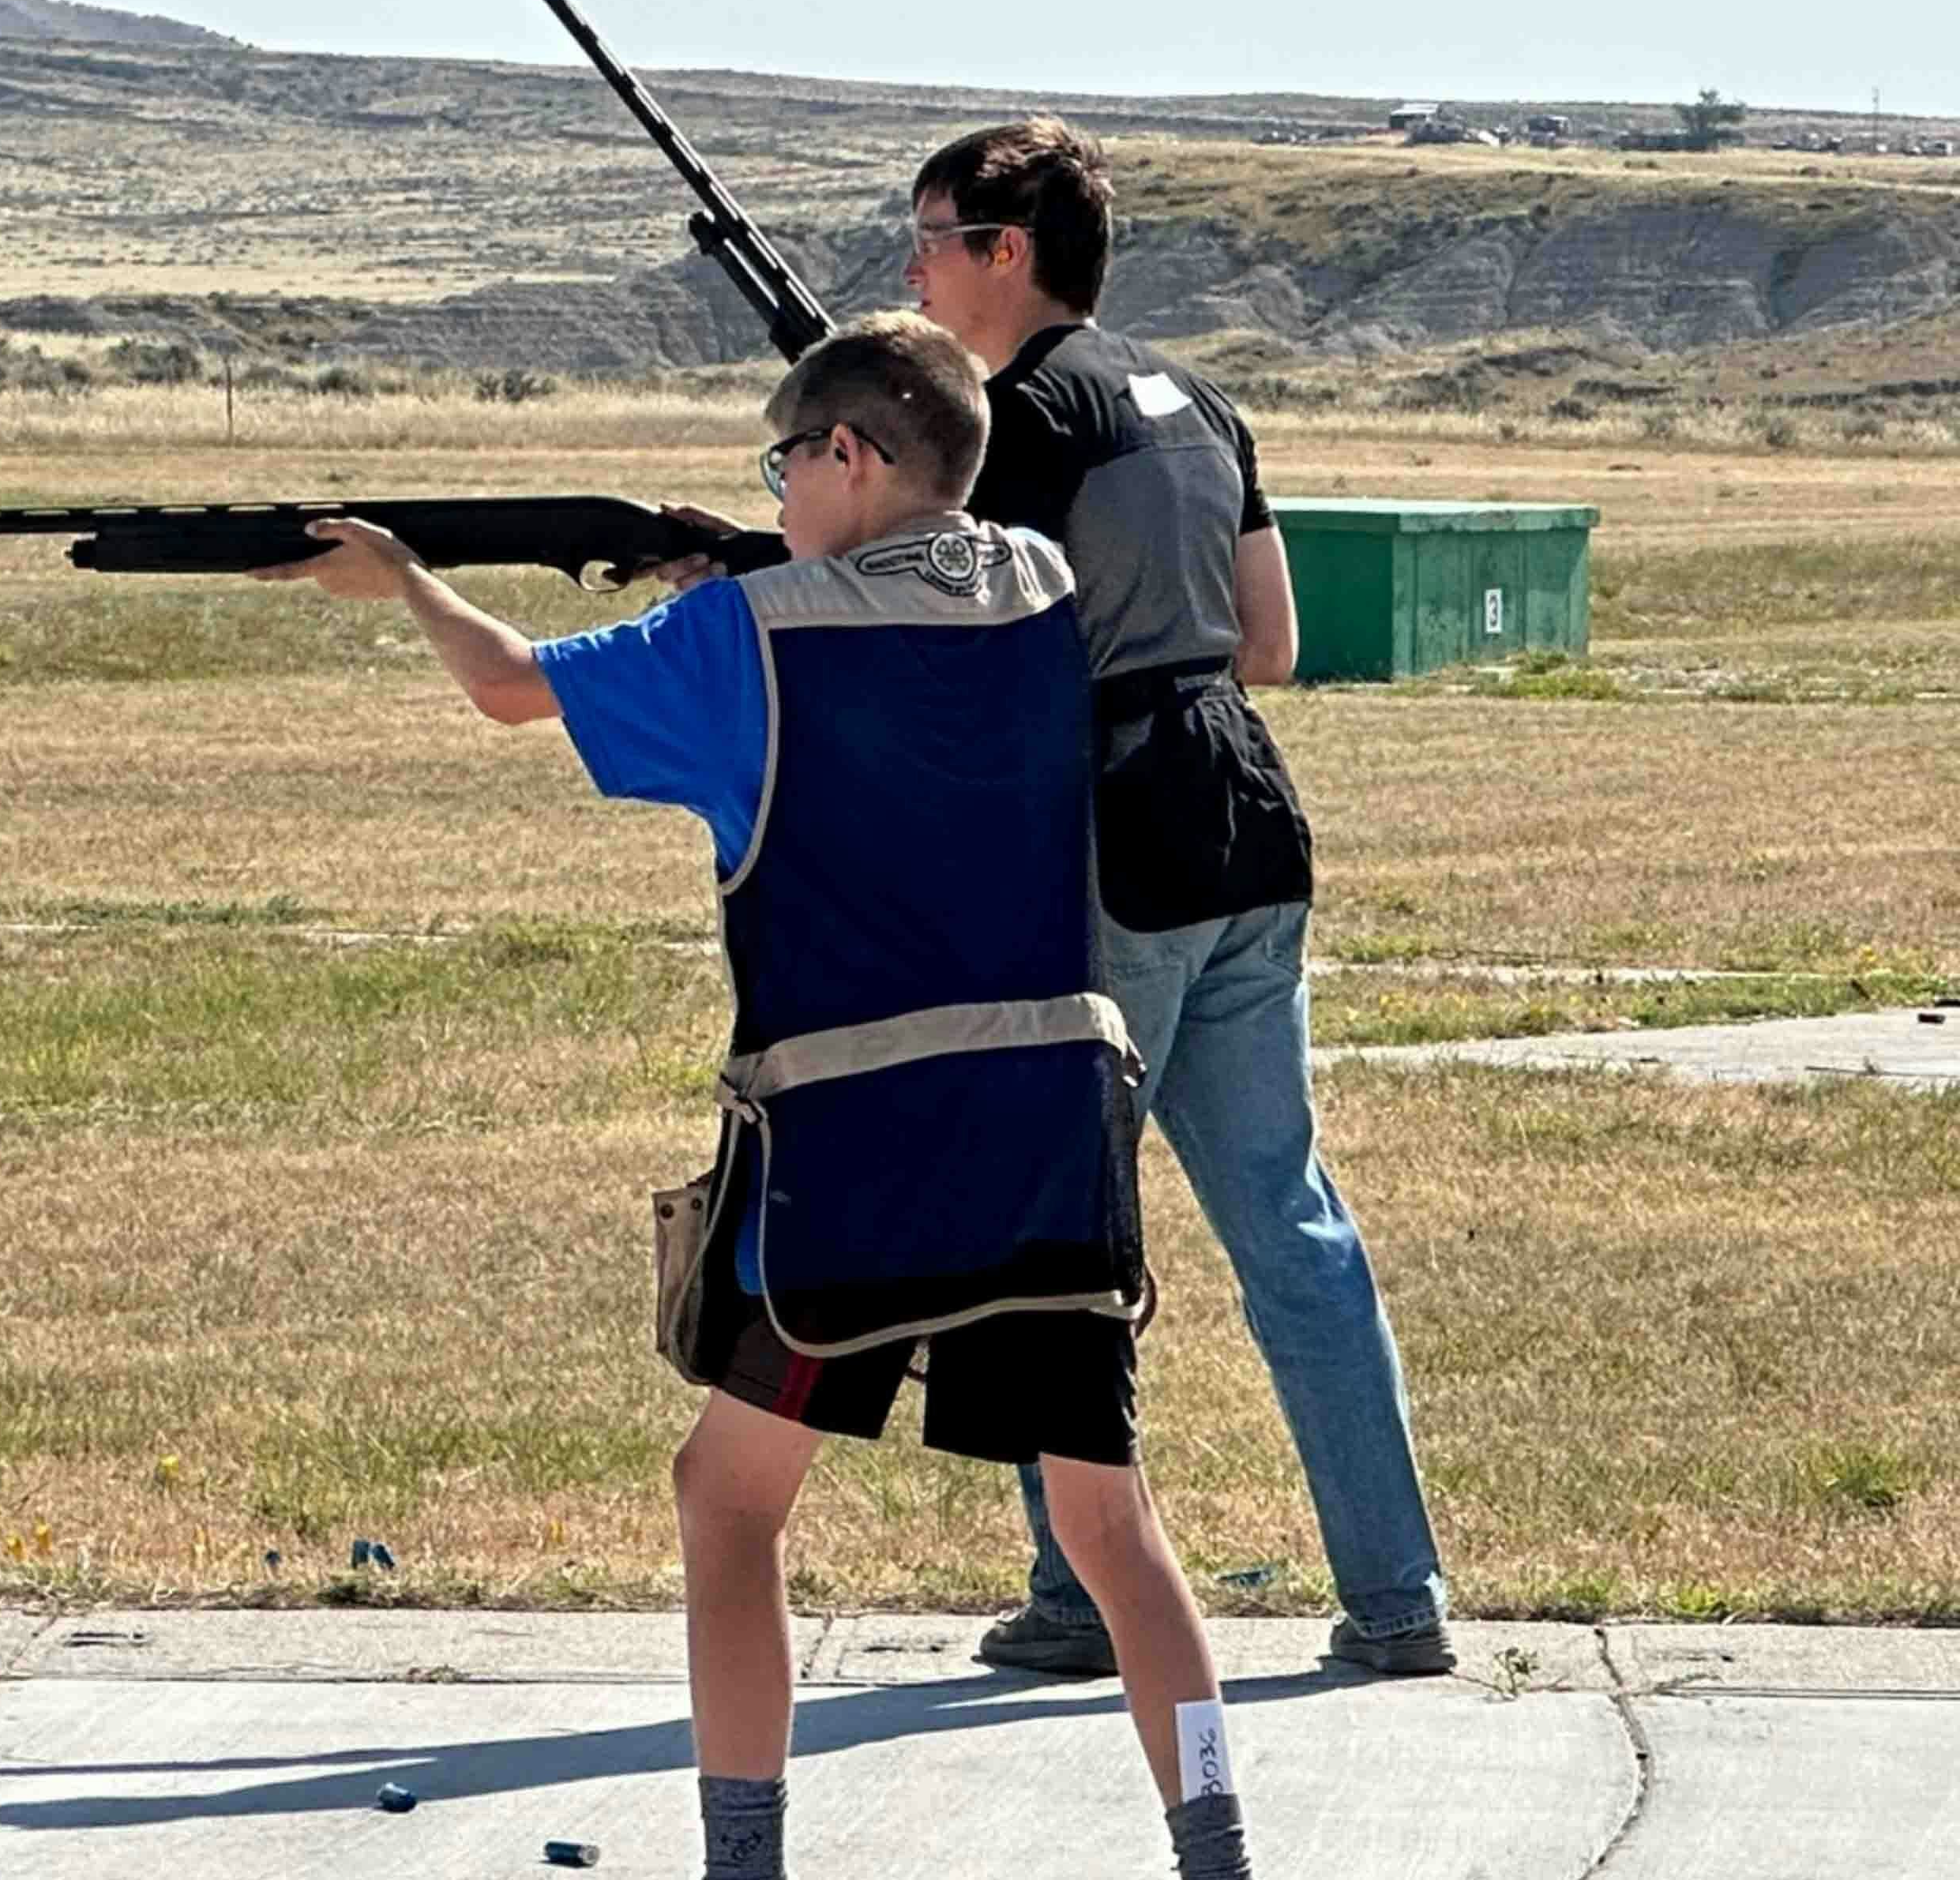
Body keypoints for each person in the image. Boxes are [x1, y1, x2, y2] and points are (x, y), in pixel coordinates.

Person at [261, 312, 1255, 1880]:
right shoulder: (1044, 590)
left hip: (845, 1170)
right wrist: (757, 563)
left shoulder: (745, 642)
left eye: (790, 462)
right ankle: (1217, 1848)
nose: (780, 492)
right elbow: (919, 580)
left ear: (850, 456)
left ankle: (746, 1865)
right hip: (1051, 1153)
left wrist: (404, 582)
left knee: (726, 1507)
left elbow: (515, 688)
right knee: (1114, 1538)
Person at [907, 118, 1451, 1679]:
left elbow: (966, 645)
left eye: (933, 234)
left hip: (1109, 844)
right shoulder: (1201, 399)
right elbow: (1266, 642)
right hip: (1245, 819)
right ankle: (1397, 1600)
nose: (916, 266)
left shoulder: (1014, 419)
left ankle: (1081, 1598)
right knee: (1292, 1221)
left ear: (1008, 252)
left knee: (1049, 1237)